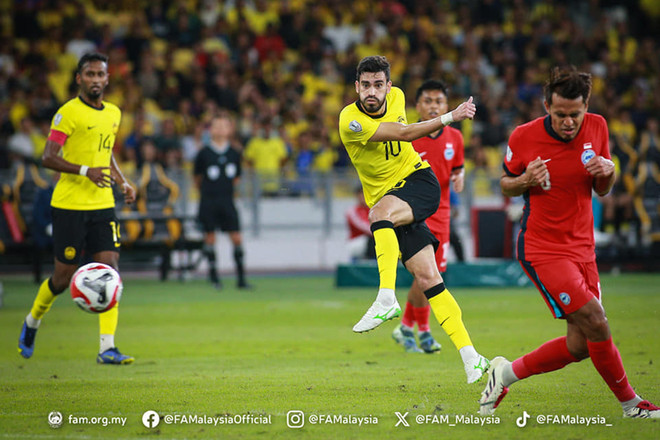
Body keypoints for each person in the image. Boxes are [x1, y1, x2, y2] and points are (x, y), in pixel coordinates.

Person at [480, 66, 659, 418]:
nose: (568, 122)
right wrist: (525, 179)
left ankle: (503, 374)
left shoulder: (599, 127)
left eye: (575, 114)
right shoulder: (523, 136)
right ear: (547, 106)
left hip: (583, 247)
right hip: (542, 248)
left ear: (586, 106)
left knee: (580, 345)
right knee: (597, 321)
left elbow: (601, 187)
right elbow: (505, 183)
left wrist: (608, 174)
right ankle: (632, 404)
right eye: (560, 114)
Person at [338, 56, 489, 383]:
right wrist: (451, 116)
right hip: (394, 198)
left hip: (419, 182)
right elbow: (404, 133)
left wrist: (449, 119)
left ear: (389, 86)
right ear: (356, 87)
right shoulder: (349, 120)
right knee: (429, 278)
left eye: (379, 84)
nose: (372, 92)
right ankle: (472, 357)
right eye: (366, 85)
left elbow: (406, 135)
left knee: (378, 214)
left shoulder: (399, 97)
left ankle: (385, 297)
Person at [18, 53, 136, 364]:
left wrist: (123, 182)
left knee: (111, 270)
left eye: (101, 74)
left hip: (102, 205)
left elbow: (105, 153)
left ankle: (106, 348)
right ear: (79, 78)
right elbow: (47, 157)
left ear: (107, 79)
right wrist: (86, 171)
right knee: (62, 276)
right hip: (69, 205)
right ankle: (32, 321)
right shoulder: (67, 113)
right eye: (90, 74)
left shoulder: (113, 112)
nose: (96, 79)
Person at [389, 79, 487, 383]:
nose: (434, 106)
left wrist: (460, 176)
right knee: (430, 274)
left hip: (442, 214)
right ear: (417, 106)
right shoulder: (410, 137)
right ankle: (417, 329)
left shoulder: (455, 138)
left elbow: (457, 168)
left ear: (447, 106)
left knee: (429, 275)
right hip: (417, 213)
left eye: (439, 102)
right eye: (428, 101)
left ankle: (413, 328)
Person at [193, 112, 250, 289]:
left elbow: (237, 178)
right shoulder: (204, 153)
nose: (220, 129)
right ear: (211, 130)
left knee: (237, 237)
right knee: (210, 237)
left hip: (227, 201)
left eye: (224, 126)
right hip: (209, 201)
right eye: (216, 126)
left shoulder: (234, 153)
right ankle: (214, 278)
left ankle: (241, 279)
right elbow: (197, 178)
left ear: (230, 129)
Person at [346, 184, 376, 261]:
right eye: (361, 194)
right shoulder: (352, 211)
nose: (363, 196)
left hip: (372, 238)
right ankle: (371, 261)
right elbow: (364, 227)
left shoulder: (373, 208)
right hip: (357, 241)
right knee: (372, 240)